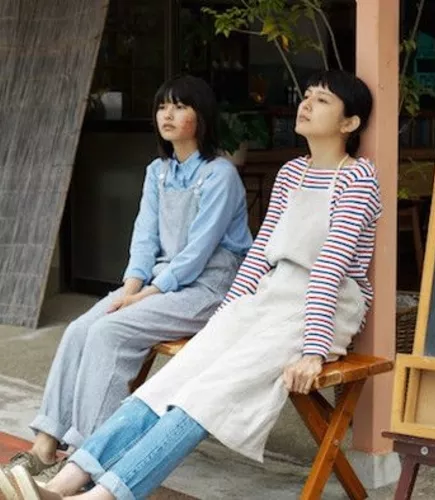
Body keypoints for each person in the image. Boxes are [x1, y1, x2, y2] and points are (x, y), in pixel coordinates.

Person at [1, 69, 382, 500]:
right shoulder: (292, 172)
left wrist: (314, 350)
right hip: (269, 297)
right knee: (168, 382)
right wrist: (224, 321)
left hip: (320, 307)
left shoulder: (359, 179)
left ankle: (102, 497)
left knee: (203, 397)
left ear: (350, 123)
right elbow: (259, 254)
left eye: (322, 100)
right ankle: (64, 481)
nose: (306, 104)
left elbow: (331, 266)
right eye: (307, 95)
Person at [8, 75, 253, 476]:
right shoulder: (158, 171)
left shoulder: (219, 174)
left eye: (180, 106)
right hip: (158, 284)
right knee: (80, 330)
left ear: (203, 117)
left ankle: (89, 457)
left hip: (208, 288)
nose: (167, 114)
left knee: (109, 333)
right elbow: (144, 236)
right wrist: (131, 287)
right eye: (162, 106)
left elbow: (198, 252)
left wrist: (148, 294)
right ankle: (45, 445)